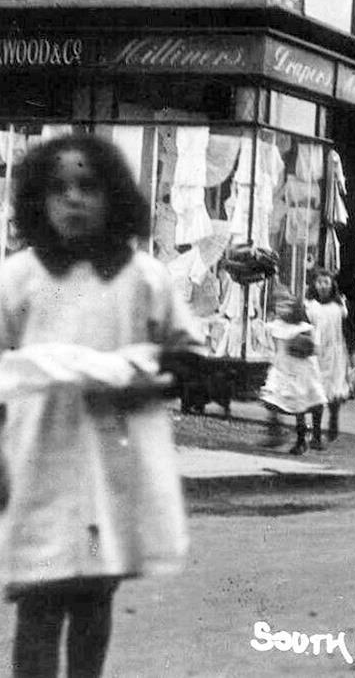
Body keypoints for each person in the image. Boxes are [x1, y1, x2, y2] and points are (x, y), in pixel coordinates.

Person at [0, 134, 202, 677]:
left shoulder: (143, 278)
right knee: (39, 598)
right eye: (58, 188)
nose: (73, 199)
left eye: (87, 186)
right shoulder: (18, 277)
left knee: (93, 594)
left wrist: (141, 382)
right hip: (36, 461)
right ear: (36, 201)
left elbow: (188, 360)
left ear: (113, 196)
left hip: (113, 462)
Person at [260, 292, 329, 454]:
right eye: (279, 305)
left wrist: (303, 345)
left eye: (286, 306)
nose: (282, 309)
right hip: (282, 369)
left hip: (302, 370)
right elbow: (272, 344)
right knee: (272, 399)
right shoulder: (275, 325)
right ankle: (275, 433)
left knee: (304, 404)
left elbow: (315, 349)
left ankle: (308, 438)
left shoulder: (303, 327)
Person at [306, 268, 350, 442]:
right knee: (317, 390)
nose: (323, 286)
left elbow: (347, 327)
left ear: (332, 285)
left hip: (335, 353)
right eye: (319, 282)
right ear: (314, 285)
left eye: (326, 282)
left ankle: (333, 420)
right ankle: (316, 432)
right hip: (316, 354)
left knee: (334, 389)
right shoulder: (309, 305)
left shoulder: (339, 306)